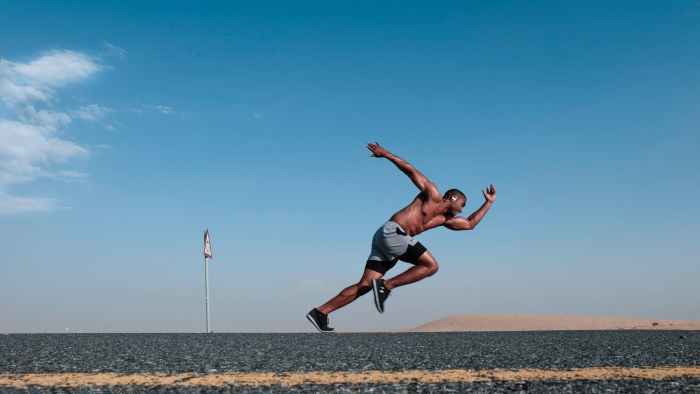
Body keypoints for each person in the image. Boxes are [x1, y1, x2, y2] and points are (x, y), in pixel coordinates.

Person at [306, 142, 496, 332]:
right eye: (462, 205)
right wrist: (386, 154)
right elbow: (410, 170)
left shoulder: (445, 219)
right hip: (392, 232)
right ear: (453, 198)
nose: (462, 210)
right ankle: (386, 286)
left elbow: (470, 224)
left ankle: (321, 312)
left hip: (388, 242)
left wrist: (488, 203)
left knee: (365, 285)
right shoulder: (432, 193)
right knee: (431, 265)